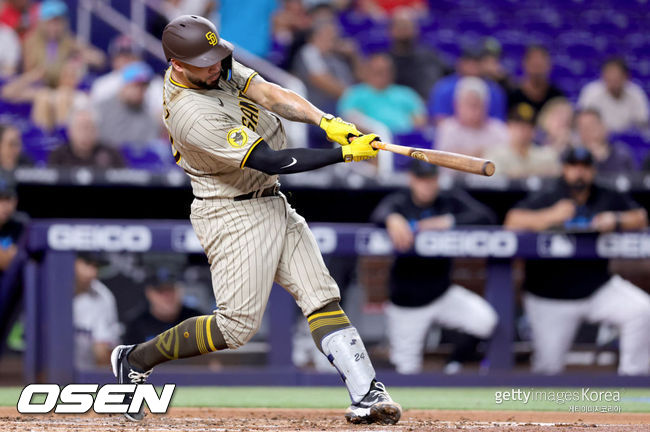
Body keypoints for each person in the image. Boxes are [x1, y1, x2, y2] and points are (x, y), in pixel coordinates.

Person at [111, 15, 401, 425]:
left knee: (320, 294)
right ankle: (135, 358)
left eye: (217, 56)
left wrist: (326, 122)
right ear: (178, 65)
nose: (217, 66)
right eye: (206, 62)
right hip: (231, 210)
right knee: (235, 329)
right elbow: (271, 158)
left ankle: (367, 393)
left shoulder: (211, 63)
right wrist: (344, 153)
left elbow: (268, 93)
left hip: (270, 198)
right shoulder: (190, 112)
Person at [504, 147, 650, 375]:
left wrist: (616, 219)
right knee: (547, 370)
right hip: (550, 296)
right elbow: (512, 220)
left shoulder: (605, 194)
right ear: (564, 169)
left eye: (584, 167)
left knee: (642, 311)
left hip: (597, 288)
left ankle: (634, 382)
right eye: (573, 167)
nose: (579, 173)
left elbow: (640, 217)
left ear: (592, 170)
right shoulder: (550, 194)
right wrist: (551, 216)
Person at [371, 160, 497, 374]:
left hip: (442, 293)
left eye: (431, 179)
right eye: (421, 179)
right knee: (406, 370)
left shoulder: (447, 200)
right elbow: (378, 214)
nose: (427, 185)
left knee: (485, 320)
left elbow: (486, 216)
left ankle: (453, 364)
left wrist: (448, 221)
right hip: (407, 303)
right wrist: (392, 219)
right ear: (412, 179)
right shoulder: (400, 202)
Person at [337, 53, 426, 134]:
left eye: (385, 70)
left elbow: (420, 119)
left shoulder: (406, 93)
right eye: (377, 71)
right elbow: (349, 119)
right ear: (367, 71)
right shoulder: (354, 94)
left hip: (405, 139)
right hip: (370, 140)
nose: (381, 74)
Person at [22, 0, 104, 88]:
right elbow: (28, 74)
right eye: (50, 22)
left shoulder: (69, 41)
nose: (53, 27)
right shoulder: (31, 42)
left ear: (64, 23)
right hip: (38, 89)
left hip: (64, 89)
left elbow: (99, 59)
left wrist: (86, 56)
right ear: (41, 23)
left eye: (57, 23)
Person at [90, 35, 164, 122]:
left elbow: (164, 116)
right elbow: (95, 116)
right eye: (121, 56)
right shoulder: (102, 84)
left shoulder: (155, 83)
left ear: (139, 58)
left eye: (130, 56)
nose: (125, 60)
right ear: (113, 59)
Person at [292, 19, 356, 119]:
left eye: (334, 36)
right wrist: (354, 96)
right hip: (319, 108)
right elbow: (320, 80)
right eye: (328, 34)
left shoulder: (335, 56)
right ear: (315, 36)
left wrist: (354, 56)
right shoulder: (309, 51)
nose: (333, 38)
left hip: (341, 106)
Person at [435, 77, 509, 159]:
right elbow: (445, 160)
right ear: (456, 105)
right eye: (468, 104)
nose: (473, 111)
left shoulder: (498, 129)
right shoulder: (447, 128)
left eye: (477, 105)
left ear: (486, 106)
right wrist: (480, 154)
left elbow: (506, 160)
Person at [124, 268, 203, 345]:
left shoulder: (197, 319)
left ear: (180, 290)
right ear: (149, 293)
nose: (167, 296)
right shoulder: (136, 325)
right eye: (160, 291)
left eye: (170, 289)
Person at [428, 48, 507, 123]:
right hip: (453, 133)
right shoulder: (444, 88)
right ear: (460, 63)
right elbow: (439, 118)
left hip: (484, 134)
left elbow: (497, 122)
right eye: (468, 62)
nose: (472, 67)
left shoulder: (494, 91)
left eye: (476, 63)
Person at [73, 252, 121, 370]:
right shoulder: (47, 288)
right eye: (87, 264)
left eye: (96, 267)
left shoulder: (103, 296)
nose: (92, 273)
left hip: (86, 374)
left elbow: (104, 351)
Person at [96, 62, 160, 148]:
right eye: (136, 86)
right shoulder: (103, 108)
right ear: (125, 85)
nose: (140, 91)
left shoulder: (149, 116)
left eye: (144, 87)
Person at [388, 7, 448, 100]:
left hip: (426, 104)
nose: (404, 30)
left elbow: (448, 73)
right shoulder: (385, 60)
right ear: (391, 31)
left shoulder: (428, 56)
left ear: (416, 30)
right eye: (400, 26)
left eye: (407, 26)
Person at [578, 58, 649, 133]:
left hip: (628, 138)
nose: (613, 80)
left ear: (625, 77)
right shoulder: (591, 92)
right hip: (598, 136)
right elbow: (583, 121)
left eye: (616, 77)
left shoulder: (636, 93)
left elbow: (643, 122)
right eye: (609, 76)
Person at [485, 108, 560, 179]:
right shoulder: (495, 155)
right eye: (518, 126)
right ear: (509, 126)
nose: (522, 131)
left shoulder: (546, 155)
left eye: (527, 126)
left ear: (534, 130)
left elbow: (556, 179)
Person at [48, 109, 125, 169]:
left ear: (97, 130)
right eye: (81, 128)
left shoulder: (111, 154)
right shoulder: (58, 156)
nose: (85, 133)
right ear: (70, 131)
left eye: (89, 127)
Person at [508, 45, 564, 122]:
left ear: (548, 66)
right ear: (525, 64)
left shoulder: (557, 96)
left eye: (540, 65)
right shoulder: (512, 96)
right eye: (534, 65)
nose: (537, 71)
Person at [574, 108, 636, 174]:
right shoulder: (572, 158)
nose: (588, 130)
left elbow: (633, 180)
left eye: (592, 125)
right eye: (583, 127)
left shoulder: (622, 155)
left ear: (603, 127)